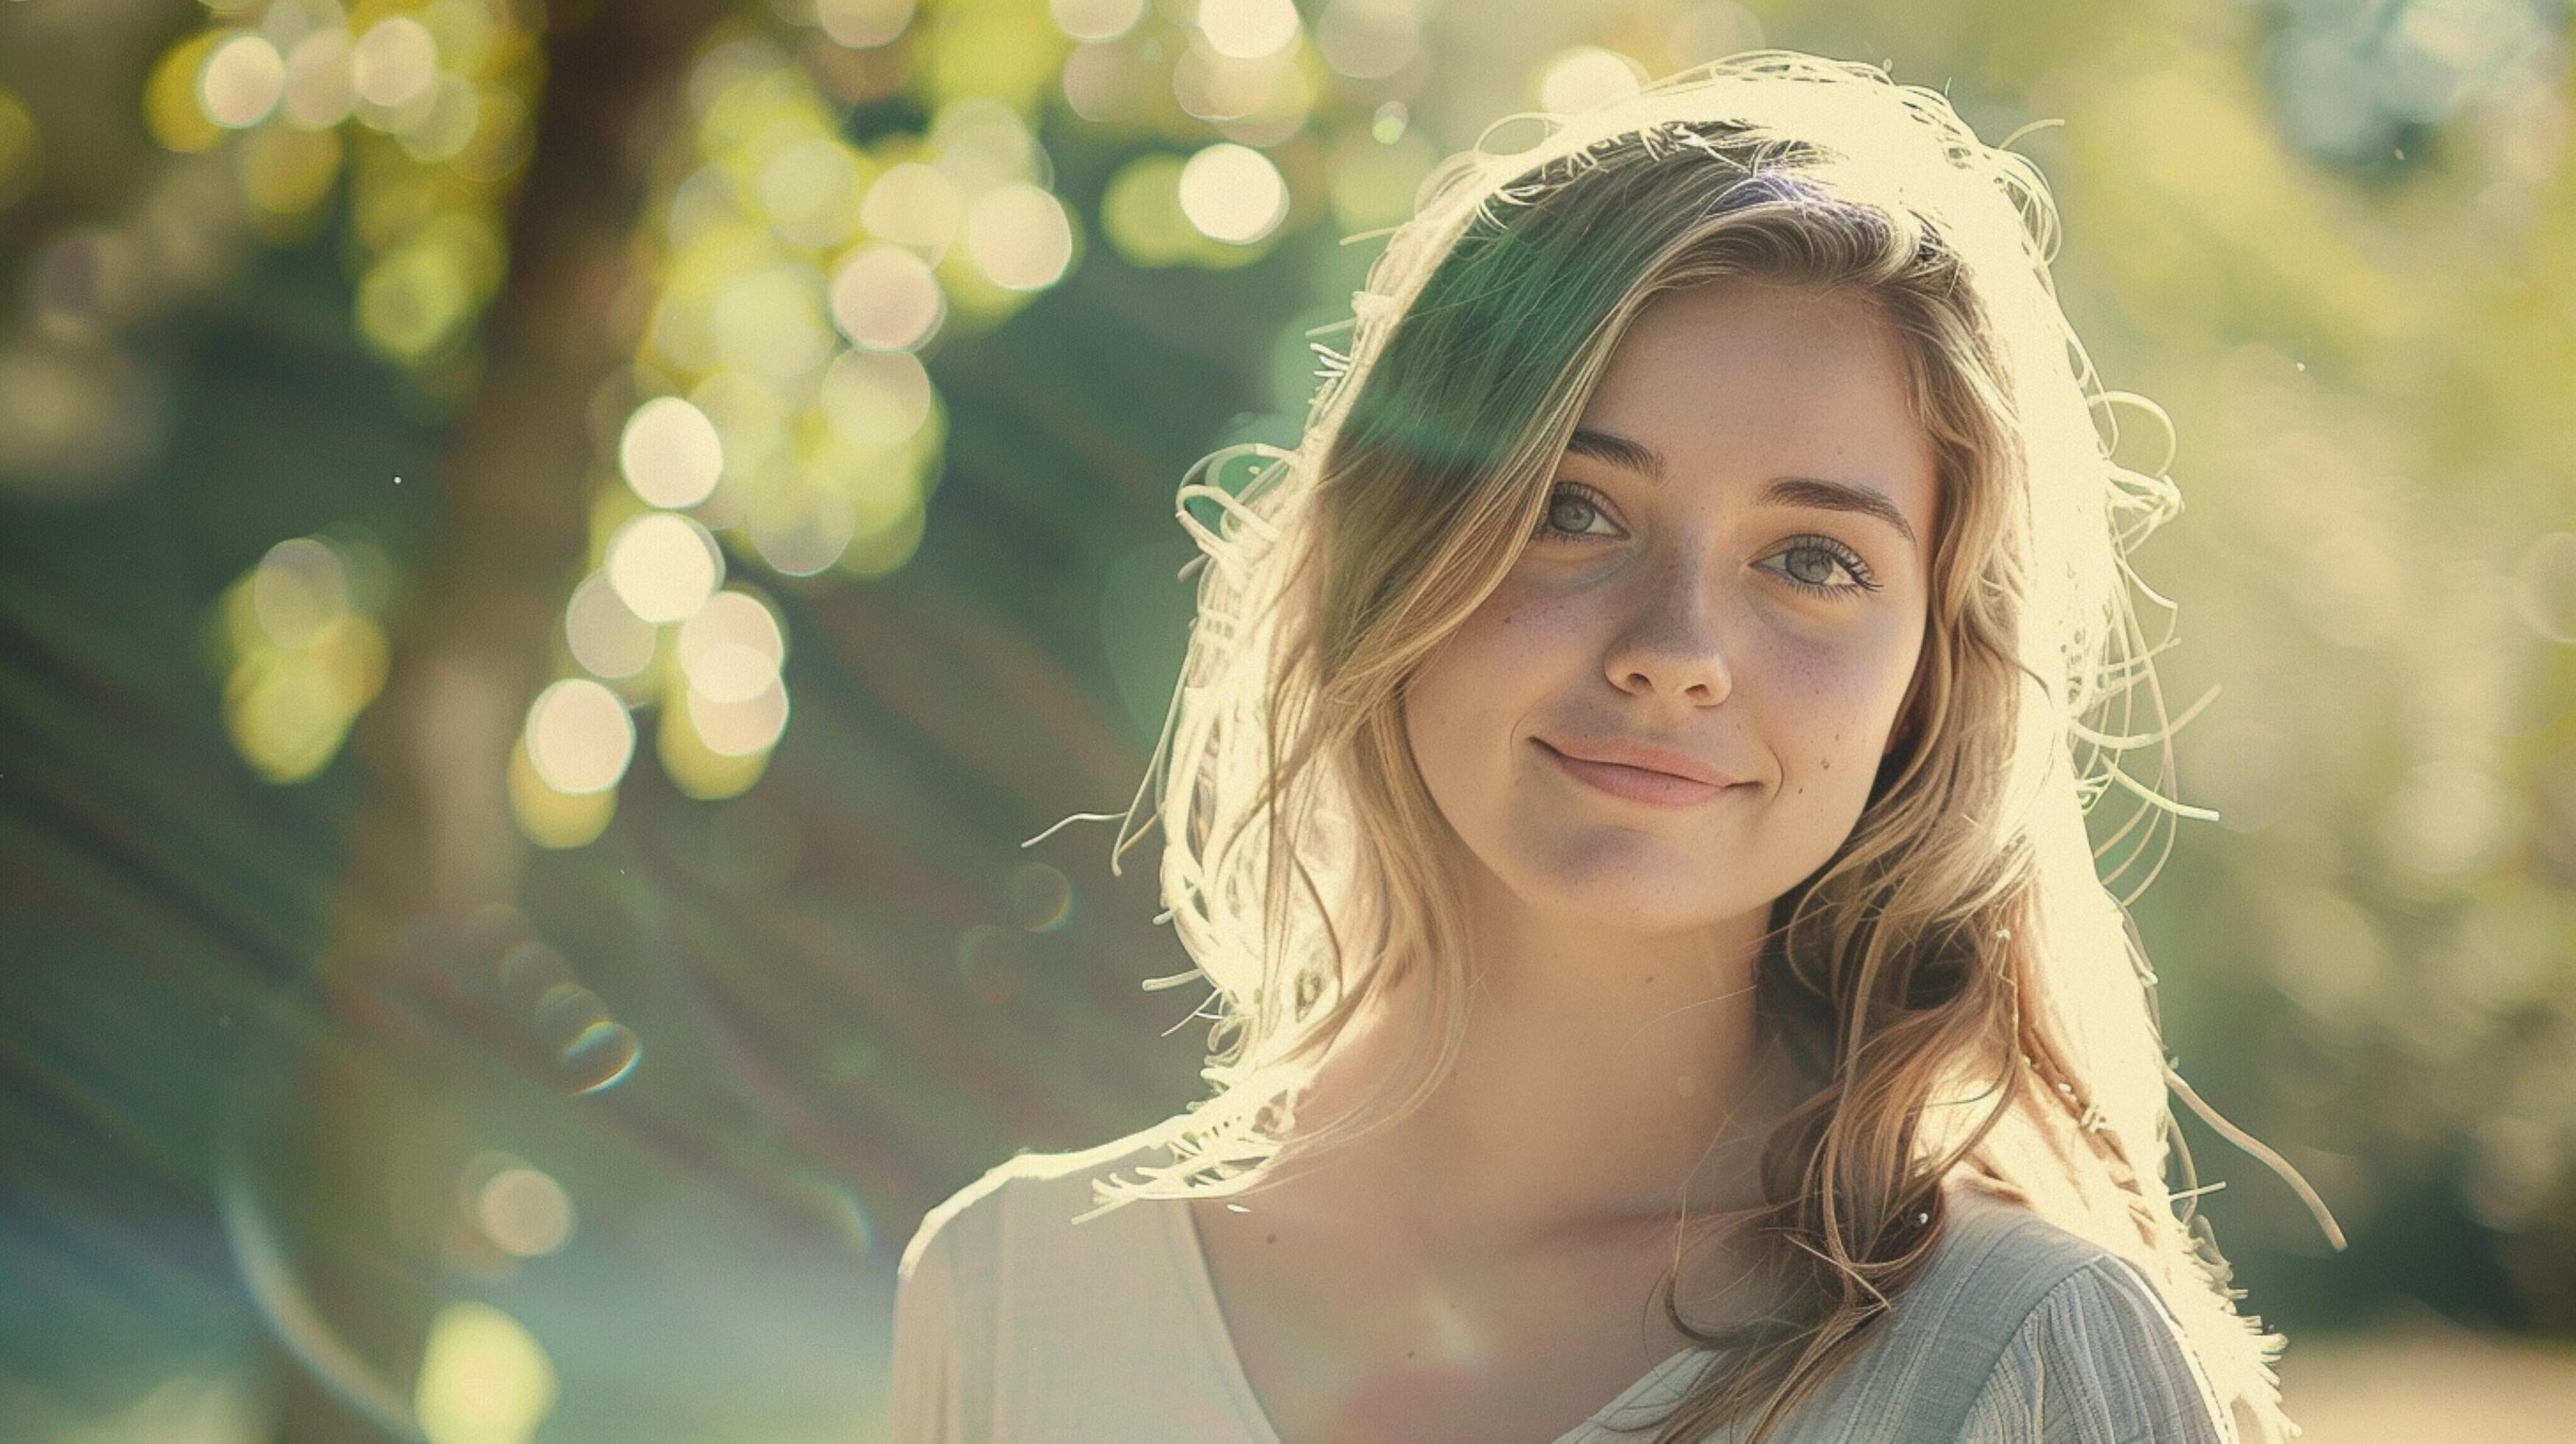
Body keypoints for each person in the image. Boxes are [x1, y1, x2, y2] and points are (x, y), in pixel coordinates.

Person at [888, 48, 2341, 1443]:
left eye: (1818, 560)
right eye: (1574, 508)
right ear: (1390, 551)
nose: (1678, 648)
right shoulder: (1018, 1295)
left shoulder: (2021, 1355)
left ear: (1930, 680)